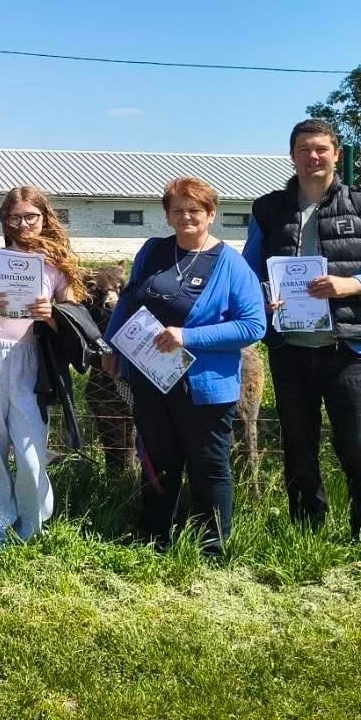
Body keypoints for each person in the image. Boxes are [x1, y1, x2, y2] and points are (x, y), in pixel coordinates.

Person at [244, 118, 361, 542]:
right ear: (292, 156)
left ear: (336, 154)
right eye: (303, 149)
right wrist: (264, 296)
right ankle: (307, 533)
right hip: (289, 349)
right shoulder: (267, 210)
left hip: (349, 350)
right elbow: (248, 273)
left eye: (321, 148)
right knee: (299, 449)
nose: (313, 157)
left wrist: (352, 285)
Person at [103, 177, 265, 557]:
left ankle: (211, 549)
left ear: (211, 213)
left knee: (208, 466)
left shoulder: (231, 264)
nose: (186, 216)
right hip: (150, 378)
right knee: (158, 462)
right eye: (177, 210)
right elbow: (129, 301)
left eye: (194, 209)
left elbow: (253, 326)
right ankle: (155, 540)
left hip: (204, 385)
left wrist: (189, 337)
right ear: (167, 215)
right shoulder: (153, 251)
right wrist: (111, 344)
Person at [0, 186, 82, 547]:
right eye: (14, 218)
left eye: (30, 217)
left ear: (44, 217)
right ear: (5, 221)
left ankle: (32, 530)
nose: (23, 224)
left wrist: (51, 314)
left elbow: (74, 321)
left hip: (30, 361)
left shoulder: (57, 265)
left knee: (30, 453)